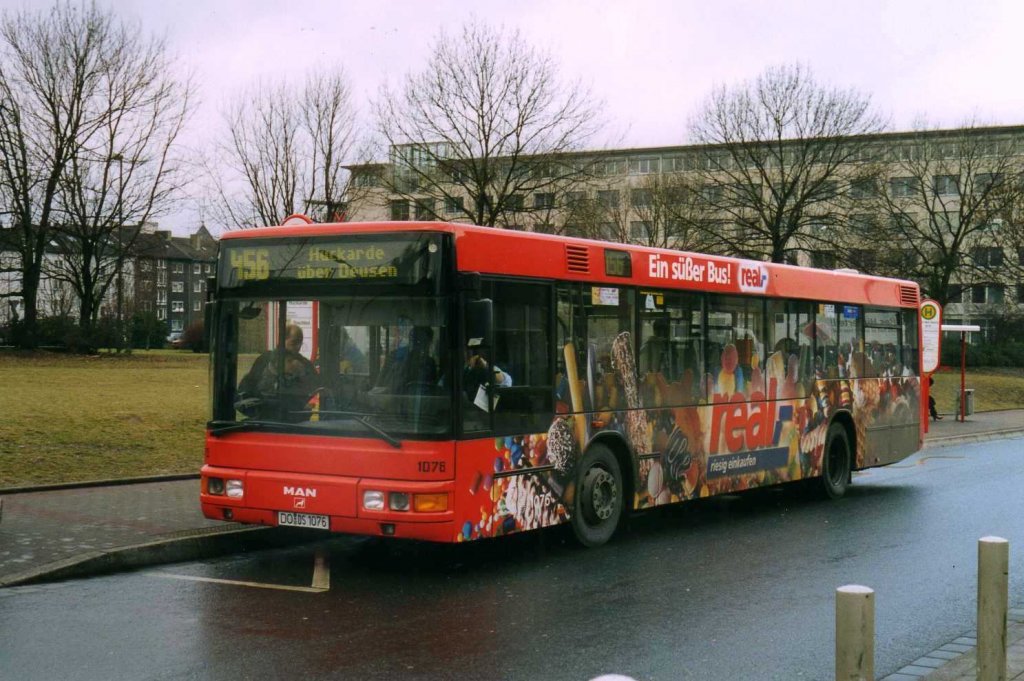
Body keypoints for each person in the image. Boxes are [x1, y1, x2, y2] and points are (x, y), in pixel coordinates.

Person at [237, 323, 319, 421]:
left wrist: (302, 374)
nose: (298, 347)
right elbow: (248, 387)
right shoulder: (265, 360)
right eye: (294, 342)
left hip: (294, 419)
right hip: (263, 417)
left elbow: (315, 389)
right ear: (282, 340)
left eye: (300, 343)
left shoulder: (305, 365)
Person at [378, 326, 438, 393]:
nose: (422, 347)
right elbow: (381, 383)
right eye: (418, 342)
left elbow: (433, 388)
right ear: (412, 341)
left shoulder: (430, 363)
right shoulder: (396, 357)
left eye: (425, 343)